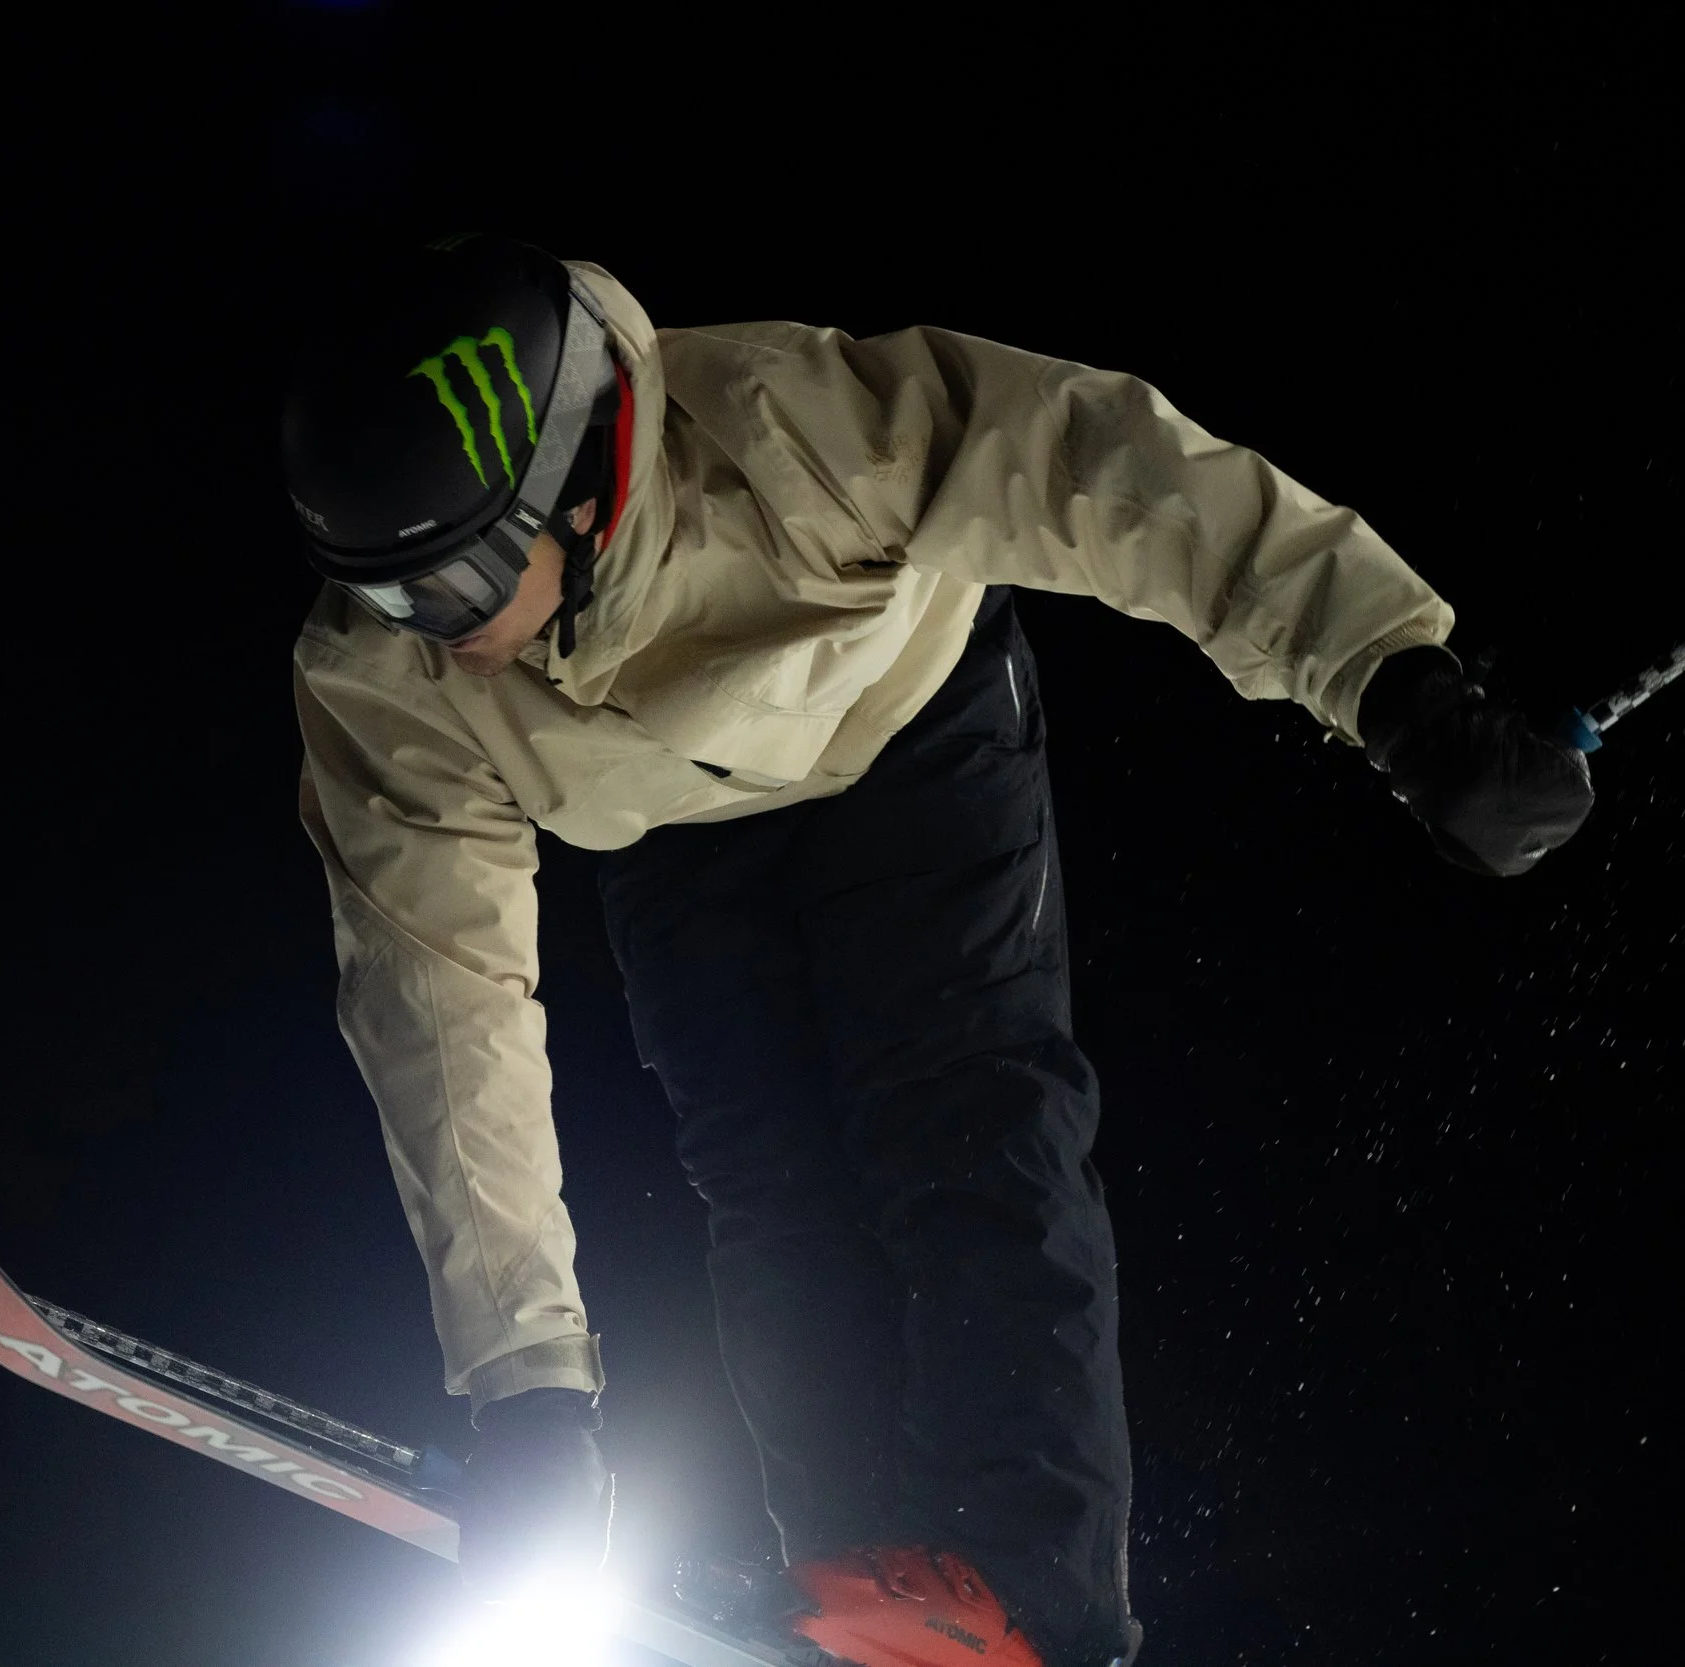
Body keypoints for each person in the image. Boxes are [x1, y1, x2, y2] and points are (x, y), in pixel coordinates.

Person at [278, 235, 1591, 1667]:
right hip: (665, 827)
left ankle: (1033, 1592)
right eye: (388, 593)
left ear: (578, 483)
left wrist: (1394, 680)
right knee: (768, 1182)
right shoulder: (385, 680)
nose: (431, 631)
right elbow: (439, 1005)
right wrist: (526, 1385)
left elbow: (1105, 468)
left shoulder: (794, 428)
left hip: (910, 733)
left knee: (965, 1108)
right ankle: (853, 1571)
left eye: (455, 585)